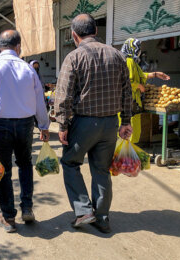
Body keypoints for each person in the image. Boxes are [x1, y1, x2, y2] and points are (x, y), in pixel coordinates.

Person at [54, 14, 133, 233]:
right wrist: (125, 121)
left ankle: (83, 211)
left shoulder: (74, 57)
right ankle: (102, 217)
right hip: (110, 124)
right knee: (101, 170)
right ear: (96, 31)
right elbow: (127, 93)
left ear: (73, 35)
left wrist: (62, 125)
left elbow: (64, 95)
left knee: (70, 163)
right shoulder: (117, 56)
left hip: (84, 123)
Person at [0, 30, 50, 233]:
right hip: (26, 124)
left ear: (0, 47)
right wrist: (44, 126)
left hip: (0, 125)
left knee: (4, 170)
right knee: (25, 165)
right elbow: (39, 100)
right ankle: (27, 207)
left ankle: (8, 217)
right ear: (18, 47)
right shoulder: (29, 69)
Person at [120, 38, 170, 143]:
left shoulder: (132, 62)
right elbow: (126, 81)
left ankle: (127, 157)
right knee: (129, 136)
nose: (139, 50)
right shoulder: (128, 61)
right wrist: (138, 86)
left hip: (134, 104)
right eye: (138, 47)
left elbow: (140, 75)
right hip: (129, 104)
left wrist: (155, 74)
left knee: (133, 135)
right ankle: (125, 158)